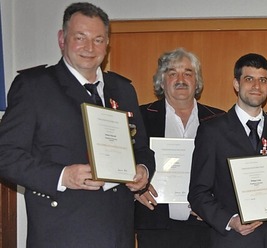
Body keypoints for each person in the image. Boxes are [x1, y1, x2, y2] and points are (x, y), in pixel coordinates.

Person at [0, 2, 155, 247]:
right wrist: (62, 176)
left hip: (118, 232)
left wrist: (143, 171)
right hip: (62, 232)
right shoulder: (35, 87)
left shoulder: (123, 90)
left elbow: (143, 150)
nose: (89, 48)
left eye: (98, 39)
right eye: (80, 37)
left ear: (107, 44)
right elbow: (5, 156)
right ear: (62, 39)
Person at [188, 53, 267, 248]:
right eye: (249, 79)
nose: (256, 86)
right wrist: (230, 221)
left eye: (262, 80)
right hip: (231, 241)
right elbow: (197, 193)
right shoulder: (212, 131)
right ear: (236, 84)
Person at [135, 48, 224, 247]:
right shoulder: (141, 116)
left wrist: (215, 204)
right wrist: (134, 189)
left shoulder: (219, 119)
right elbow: (124, 162)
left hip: (206, 228)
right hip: (156, 226)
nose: (180, 79)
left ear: (197, 81)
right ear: (161, 80)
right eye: (172, 73)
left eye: (188, 73)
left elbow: (228, 169)